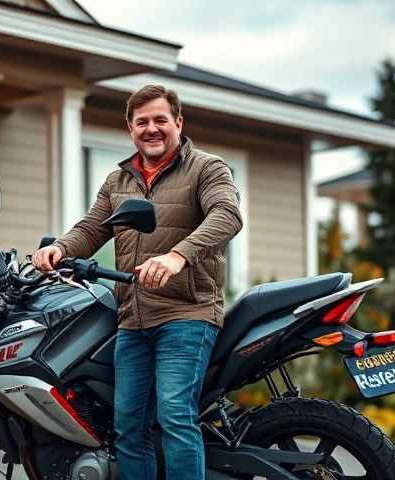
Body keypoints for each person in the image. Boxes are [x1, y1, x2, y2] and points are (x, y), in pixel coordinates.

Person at [32, 84, 242, 480]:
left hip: (186, 314)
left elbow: (227, 215)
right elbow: (93, 228)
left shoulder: (207, 168)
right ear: (130, 128)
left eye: (160, 120)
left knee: (175, 416)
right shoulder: (118, 181)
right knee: (128, 429)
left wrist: (178, 255)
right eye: (142, 122)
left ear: (178, 123)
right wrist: (58, 249)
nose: (152, 129)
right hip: (132, 320)